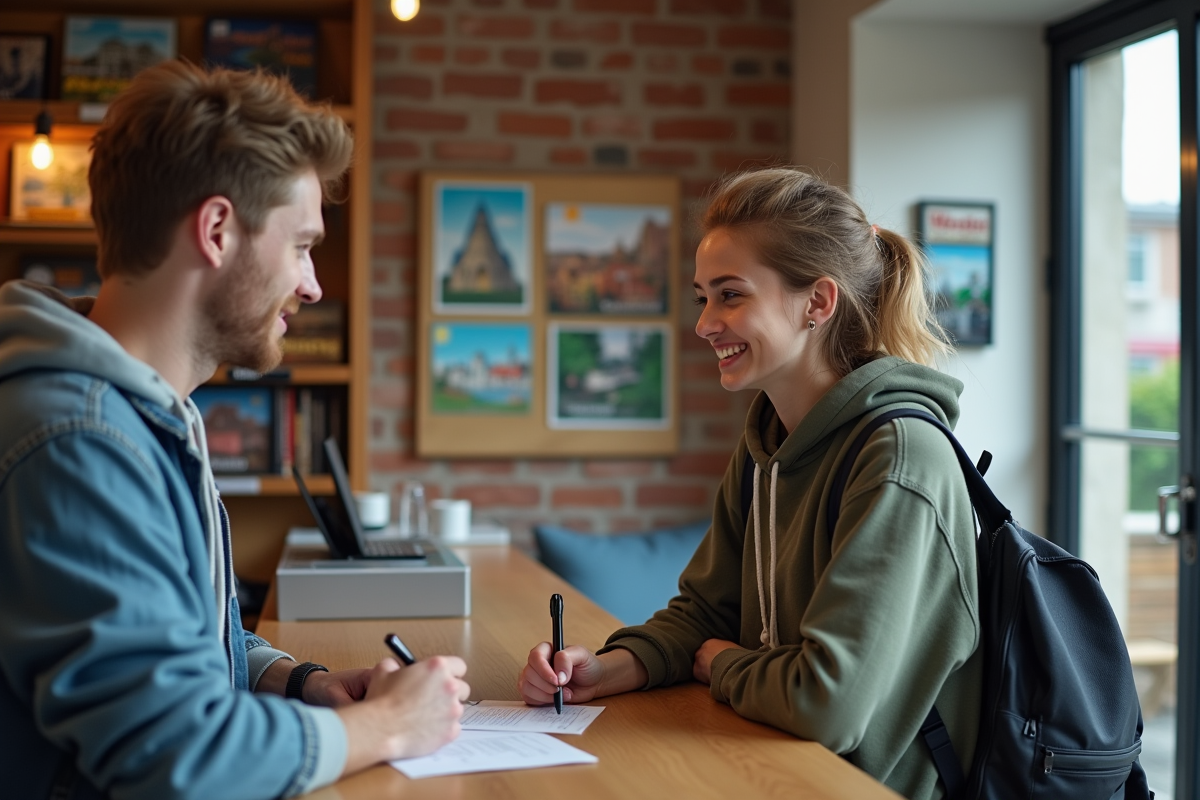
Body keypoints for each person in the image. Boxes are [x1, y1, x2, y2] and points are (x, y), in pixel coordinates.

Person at [0, 62, 469, 800]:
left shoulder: (144, 413)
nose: (312, 285)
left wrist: (299, 681)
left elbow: (180, 637)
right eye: (302, 245)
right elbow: (176, 756)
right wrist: (388, 725)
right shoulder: (80, 442)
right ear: (217, 230)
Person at [519, 168, 981, 799]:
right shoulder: (767, 442)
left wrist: (725, 665)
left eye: (730, 295)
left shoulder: (899, 457)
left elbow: (827, 704)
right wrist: (604, 669)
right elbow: (707, 613)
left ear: (817, 302)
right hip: (769, 767)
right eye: (702, 298)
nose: (705, 324)